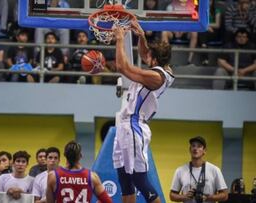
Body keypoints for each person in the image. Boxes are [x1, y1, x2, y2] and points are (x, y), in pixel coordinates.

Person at [113, 19, 174, 203]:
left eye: (150, 56)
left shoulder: (156, 77)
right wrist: (141, 36)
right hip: (125, 125)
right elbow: (145, 52)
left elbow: (122, 67)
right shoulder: (162, 68)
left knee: (140, 179)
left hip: (134, 125)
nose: (146, 56)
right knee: (124, 178)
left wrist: (119, 39)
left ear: (155, 59)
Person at [46, 141, 112, 203]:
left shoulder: (53, 176)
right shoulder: (92, 176)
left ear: (65, 155)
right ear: (80, 156)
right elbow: (108, 201)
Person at [169, 136, 228, 203]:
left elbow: (225, 195)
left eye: (199, 146)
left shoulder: (214, 170)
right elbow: (172, 195)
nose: (195, 148)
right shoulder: (180, 170)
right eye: (193, 146)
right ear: (190, 149)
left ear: (204, 151)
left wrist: (208, 197)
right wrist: (185, 196)